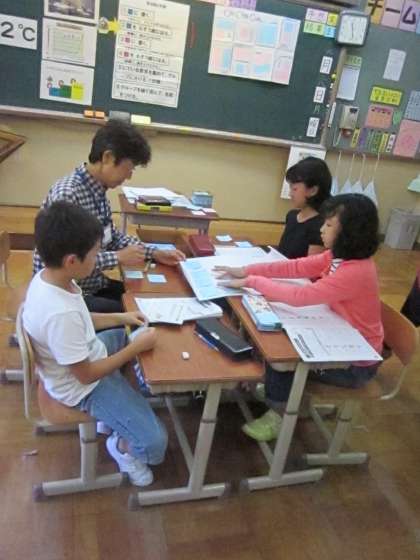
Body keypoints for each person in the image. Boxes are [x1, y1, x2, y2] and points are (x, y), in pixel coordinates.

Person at [216, 194, 383, 442]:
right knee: (273, 343)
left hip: (355, 364)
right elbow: (296, 267)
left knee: (281, 360)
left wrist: (252, 281)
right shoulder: (337, 256)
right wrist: (246, 270)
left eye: (329, 225)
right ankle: (278, 392)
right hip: (337, 334)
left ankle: (279, 412)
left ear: (349, 233)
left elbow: (299, 296)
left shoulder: (357, 271)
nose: (322, 229)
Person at [24, 201, 167, 486]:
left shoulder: (53, 279)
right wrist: (134, 348)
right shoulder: (59, 313)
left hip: (87, 352)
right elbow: (86, 375)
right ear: (71, 261)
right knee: (155, 445)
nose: (98, 259)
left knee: (139, 336)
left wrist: (122, 317)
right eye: (94, 254)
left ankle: (117, 413)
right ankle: (121, 448)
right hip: (82, 386)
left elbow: (82, 319)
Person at [33, 120, 185, 313]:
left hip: (92, 285)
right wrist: (119, 257)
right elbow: (66, 263)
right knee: (141, 312)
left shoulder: (97, 190)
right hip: (68, 297)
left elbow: (112, 237)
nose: (129, 176)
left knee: (148, 299)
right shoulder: (68, 195)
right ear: (107, 157)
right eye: (130, 167)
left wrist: (153, 252)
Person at [279, 157, 331, 258]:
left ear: (313, 191)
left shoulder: (321, 225)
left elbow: (311, 265)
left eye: (294, 189)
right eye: (290, 188)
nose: (290, 194)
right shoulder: (291, 216)